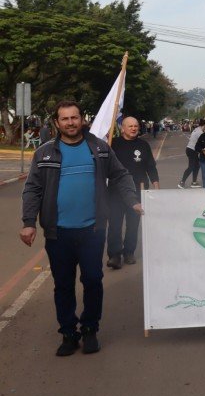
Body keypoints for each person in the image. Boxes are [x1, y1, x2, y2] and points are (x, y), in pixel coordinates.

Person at [20, 100, 141, 356]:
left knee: (93, 281)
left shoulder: (98, 148)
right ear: (56, 122)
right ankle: (68, 332)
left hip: (92, 231)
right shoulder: (44, 153)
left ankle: (89, 329)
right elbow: (32, 188)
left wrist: (132, 201)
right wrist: (28, 222)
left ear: (81, 120)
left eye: (74, 118)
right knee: (63, 285)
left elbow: (120, 175)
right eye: (65, 119)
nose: (71, 123)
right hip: (58, 233)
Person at [106, 117, 160, 269]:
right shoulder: (112, 144)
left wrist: (156, 186)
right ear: (122, 128)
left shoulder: (143, 145)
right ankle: (114, 255)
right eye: (130, 126)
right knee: (115, 224)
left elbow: (151, 167)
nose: (133, 128)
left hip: (138, 191)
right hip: (115, 191)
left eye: (136, 126)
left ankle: (129, 252)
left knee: (133, 224)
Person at [179, 119, 205, 189]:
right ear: (204, 125)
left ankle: (194, 182)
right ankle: (182, 182)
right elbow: (203, 143)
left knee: (197, 166)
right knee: (191, 167)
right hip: (192, 150)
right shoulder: (200, 132)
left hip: (190, 149)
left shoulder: (196, 129)